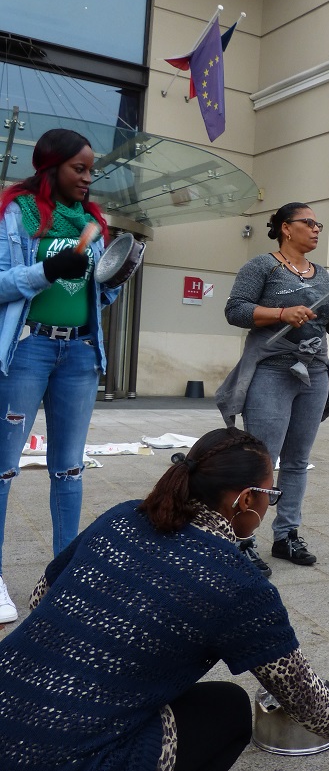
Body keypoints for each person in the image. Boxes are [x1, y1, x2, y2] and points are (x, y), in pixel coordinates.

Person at [0, 426, 329, 771]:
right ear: (246, 500)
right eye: (269, 494)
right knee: (229, 709)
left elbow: (41, 597)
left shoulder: (120, 516)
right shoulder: (238, 584)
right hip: (60, 756)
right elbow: (304, 699)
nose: (269, 505)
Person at [0, 128, 120, 625]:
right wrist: (48, 269)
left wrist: (115, 279)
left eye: (92, 170)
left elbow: (94, 295)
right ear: (51, 167)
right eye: (80, 169)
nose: (89, 179)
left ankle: (64, 574)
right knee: (4, 466)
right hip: (29, 347)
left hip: (79, 354)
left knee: (69, 467)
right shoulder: (16, 212)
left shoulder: (94, 221)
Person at [217, 202, 329, 575]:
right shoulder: (261, 266)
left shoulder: (322, 275)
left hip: (314, 372)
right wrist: (282, 314)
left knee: (298, 460)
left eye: (319, 224)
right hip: (271, 370)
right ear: (286, 228)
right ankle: (243, 539)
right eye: (309, 223)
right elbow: (235, 310)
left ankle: (287, 535)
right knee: (262, 460)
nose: (316, 229)